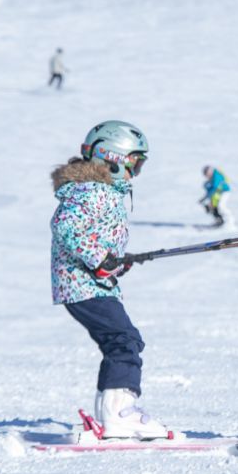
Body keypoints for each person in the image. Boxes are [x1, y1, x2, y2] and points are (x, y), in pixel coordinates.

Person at [49, 120, 169, 439]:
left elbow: (92, 238)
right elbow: (66, 227)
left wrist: (117, 263)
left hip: (91, 283)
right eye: (134, 164)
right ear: (111, 158)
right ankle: (120, 414)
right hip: (81, 284)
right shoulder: (94, 190)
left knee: (121, 340)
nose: (135, 172)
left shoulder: (104, 191)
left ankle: (112, 412)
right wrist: (100, 259)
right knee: (123, 340)